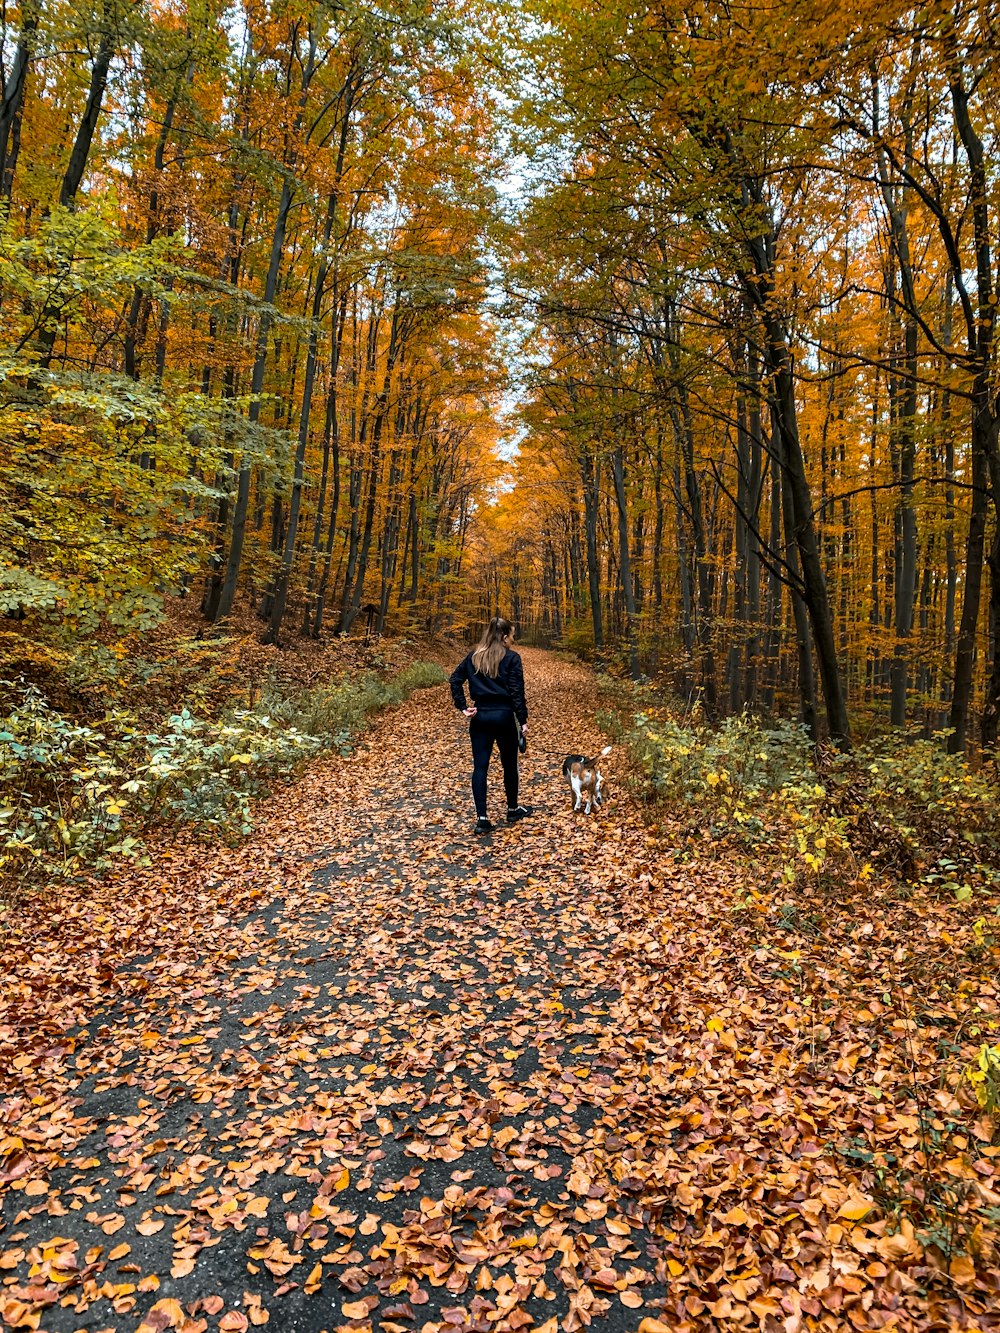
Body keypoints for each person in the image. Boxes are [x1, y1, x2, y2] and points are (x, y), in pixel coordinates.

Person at [449, 616, 532, 833]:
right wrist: (522, 721)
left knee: (480, 766)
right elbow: (516, 692)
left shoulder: (473, 657)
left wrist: (463, 707)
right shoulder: (512, 658)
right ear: (504, 637)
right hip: (504, 716)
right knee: (509, 764)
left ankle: (482, 818)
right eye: (512, 635)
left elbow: (455, 680)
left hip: (481, 717)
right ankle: (513, 809)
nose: (512, 639)